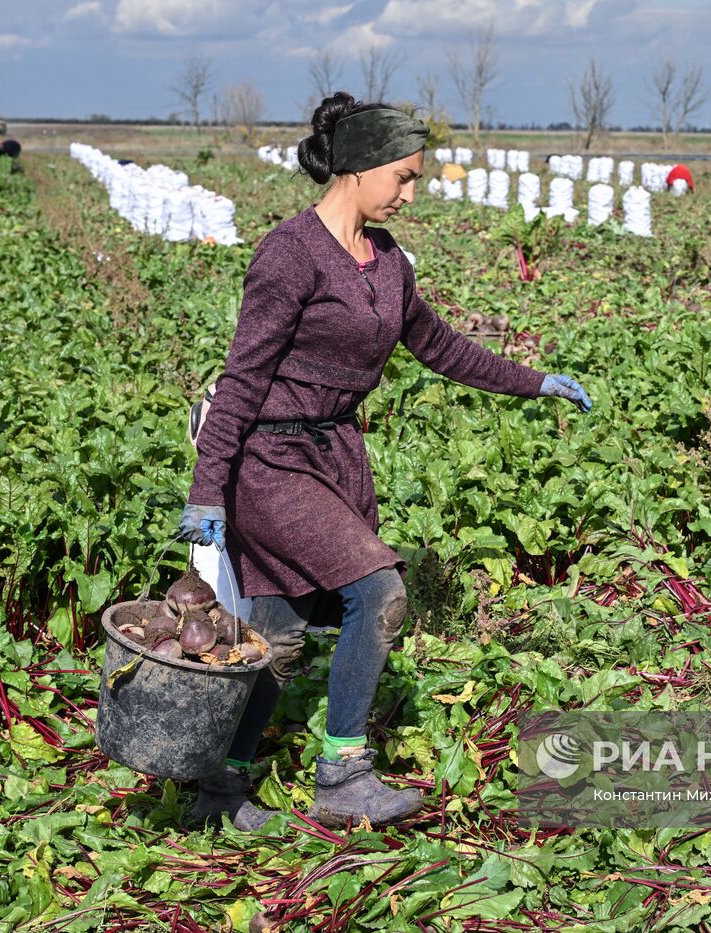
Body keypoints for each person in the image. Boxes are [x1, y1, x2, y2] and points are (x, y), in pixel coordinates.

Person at [178, 91, 593, 832]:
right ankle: (343, 772)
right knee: (380, 591)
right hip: (268, 464)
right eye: (402, 176)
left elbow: (440, 346)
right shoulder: (290, 253)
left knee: (275, 634)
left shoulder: (388, 260)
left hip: (331, 458)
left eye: (415, 179)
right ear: (358, 167)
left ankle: (221, 788)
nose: (409, 192)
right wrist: (209, 488)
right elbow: (241, 378)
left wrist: (534, 381)